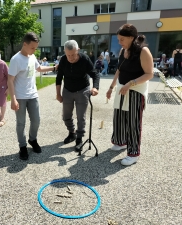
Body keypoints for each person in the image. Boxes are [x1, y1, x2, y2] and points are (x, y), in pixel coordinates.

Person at [106, 24, 153, 166]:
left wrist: (130, 84)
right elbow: (119, 71)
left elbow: (149, 74)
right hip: (122, 89)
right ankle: (120, 142)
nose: (119, 43)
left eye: (122, 39)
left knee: (133, 123)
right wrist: (111, 87)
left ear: (132, 38)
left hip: (136, 91)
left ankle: (133, 153)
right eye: (118, 39)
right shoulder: (123, 51)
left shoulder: (143, 51)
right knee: (119, 118)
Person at [8, 32, 57, 160]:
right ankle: (22, 146)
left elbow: (39, 68)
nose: (34, 50)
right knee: (21, 123)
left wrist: (54, 68)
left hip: (33, 95)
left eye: (36, 48)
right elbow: (10, 80)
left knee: (36, 120)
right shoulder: (16, 59)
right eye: (32, 47)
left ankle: (32, 139)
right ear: (25, 44)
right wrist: (13, 99)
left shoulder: (32, 56)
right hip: (20, 96)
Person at [56, 40, 100, 151]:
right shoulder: (63, 60)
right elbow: (59, 77)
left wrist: (95, 87)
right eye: (68, 55)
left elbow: (95, 74)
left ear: (78, 50)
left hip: (82, 90)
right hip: (67, 90)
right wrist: (58, 94)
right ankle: (72, 133)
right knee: (66, 116)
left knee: (81, 117)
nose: (70, 58)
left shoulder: (84, 59)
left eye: (73, 55)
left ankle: (79, 138)